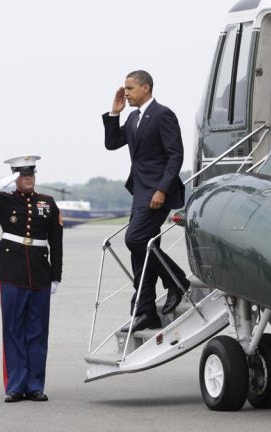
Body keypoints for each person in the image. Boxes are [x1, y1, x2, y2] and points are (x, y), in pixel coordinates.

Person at [0, 155, 63, 403]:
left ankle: (35, 385)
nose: (28, 179)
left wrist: (56, 276)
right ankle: (16, 386)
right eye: (22, 175)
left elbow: (57, 242)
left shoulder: (47, 203)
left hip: (40, 272)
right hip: (10, 272)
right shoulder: (3, 201)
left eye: (31, 175)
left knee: (38, 332)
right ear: (15, 178)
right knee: (13, 329)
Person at [102, 70, 189, 332]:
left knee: (135, 240)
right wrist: (114, 114)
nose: (125, 93)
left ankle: (176, 280)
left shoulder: (163, 115)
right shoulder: (131, 118)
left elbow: (176, 155)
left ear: (146, 88)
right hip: (140, 191)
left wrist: (162, 189)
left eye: (130, 89)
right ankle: (145, 311)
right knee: (141, 253)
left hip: (157, 194)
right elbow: (112, 143)